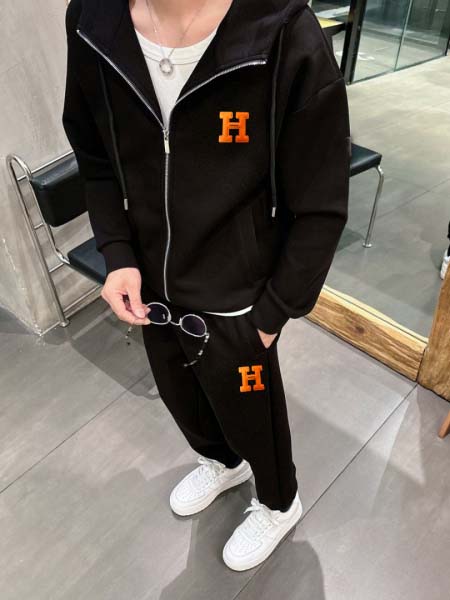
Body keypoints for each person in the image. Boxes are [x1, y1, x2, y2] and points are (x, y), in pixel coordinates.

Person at [62, 0, 350, 571]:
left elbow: (321, 202)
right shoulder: (93, 19)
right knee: (181, 395)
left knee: (251, 411)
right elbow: (95, 156)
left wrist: (272, 313)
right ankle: (221, 463)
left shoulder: (283, 31)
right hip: (150, 283)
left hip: (238, 296)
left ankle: (278, 501)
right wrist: (117, 253)